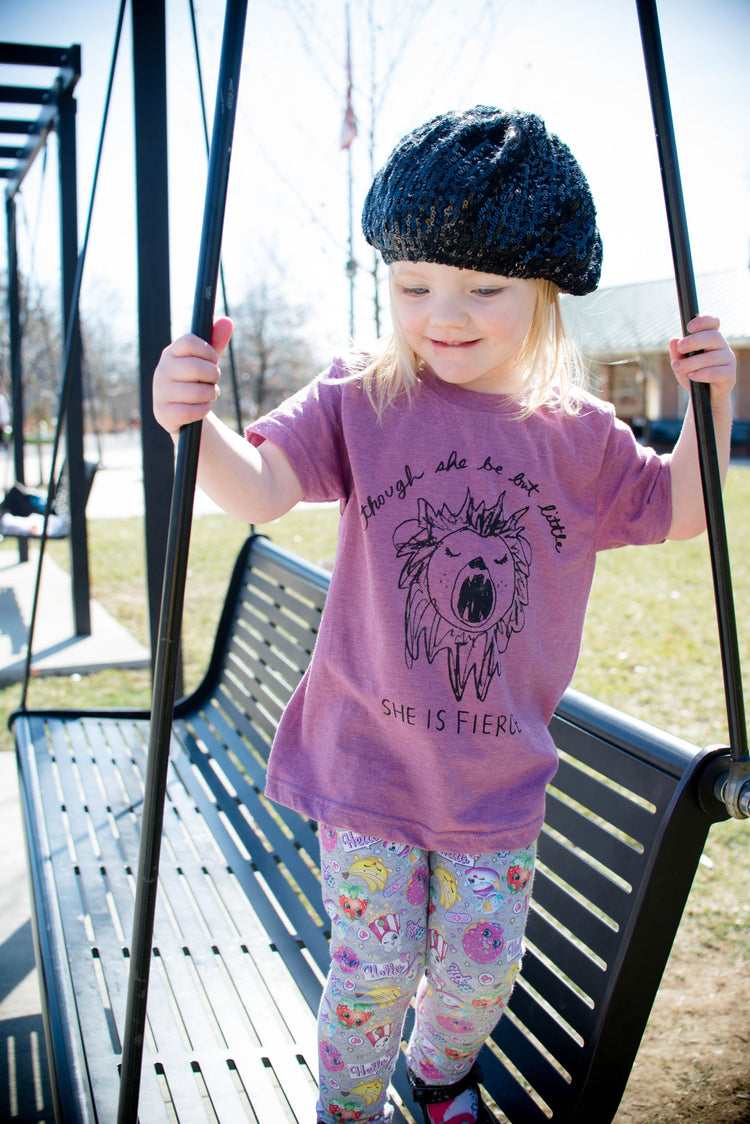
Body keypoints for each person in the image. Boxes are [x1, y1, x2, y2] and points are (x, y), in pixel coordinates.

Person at [153, 107, 736, 1124]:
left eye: (482, 288)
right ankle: (348, 1108)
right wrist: (192, 424)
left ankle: (440, 1069)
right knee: (372, 973)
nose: (443, 314)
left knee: (477, 975)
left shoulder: (578, 437)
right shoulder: (362, 396)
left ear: (547, 293)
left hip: (494, 779)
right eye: (414, 285)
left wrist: (710, 406)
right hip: (366, 765)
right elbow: (259, 489)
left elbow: (686, 509)